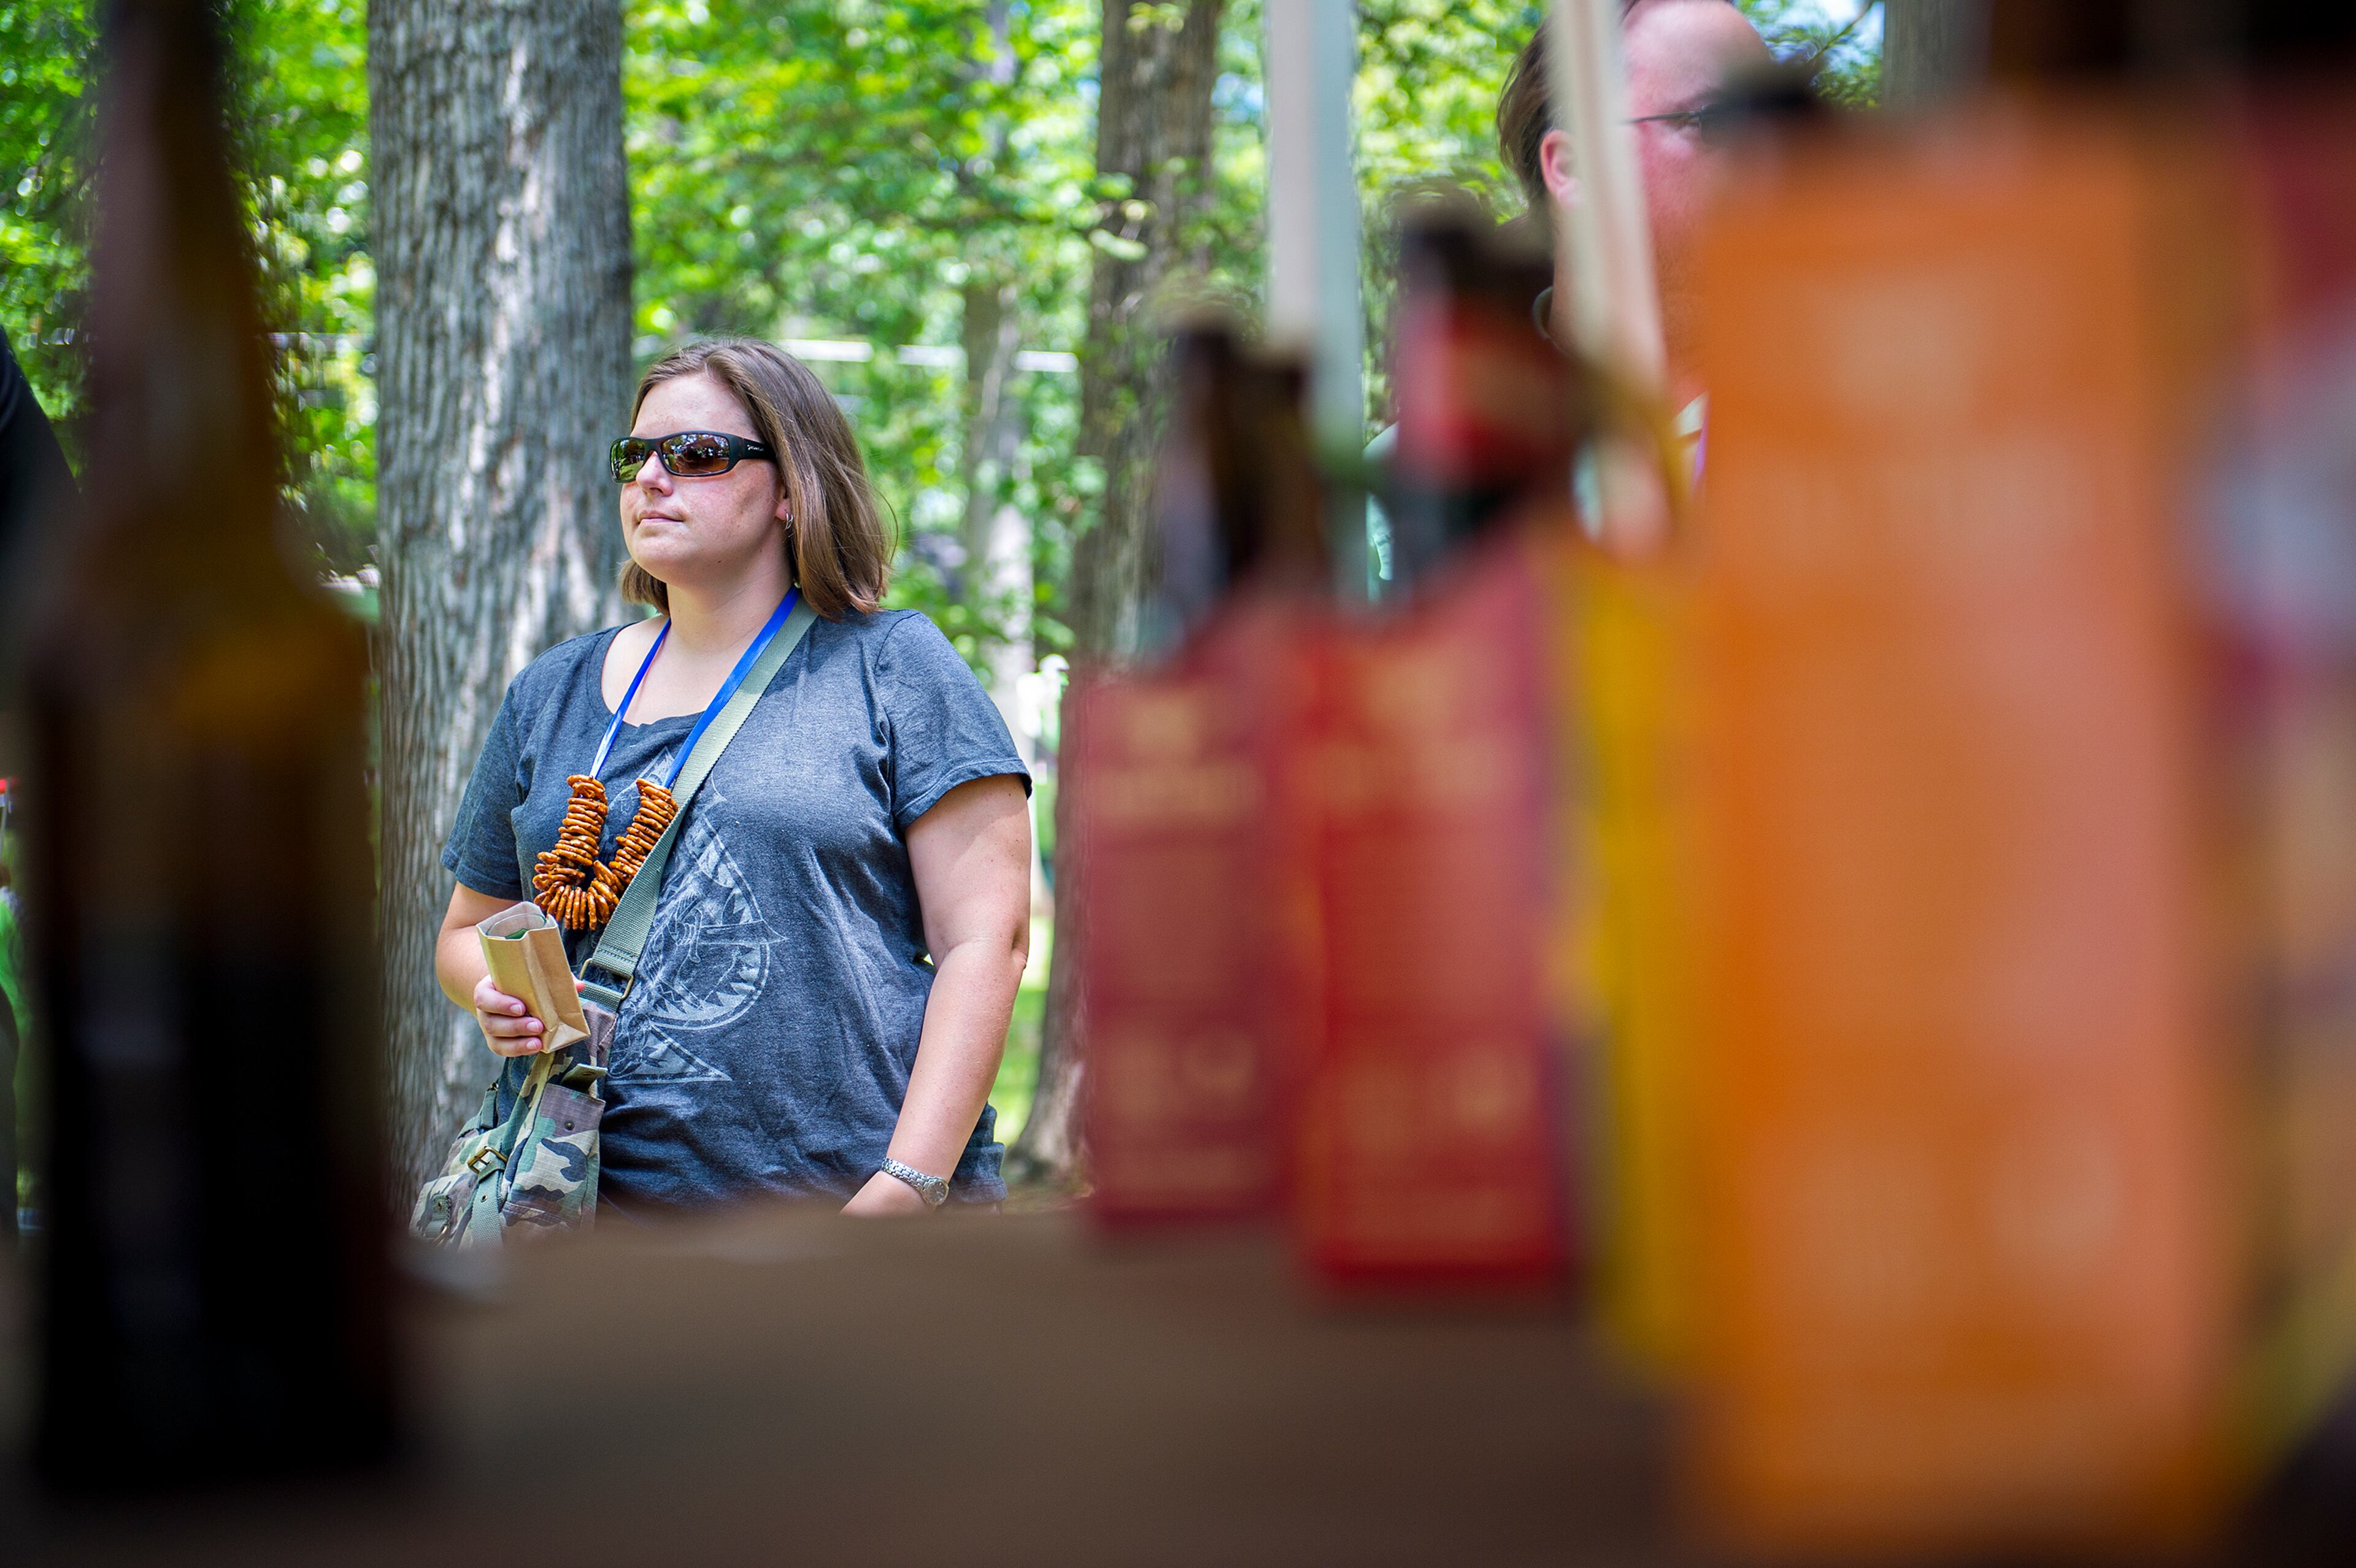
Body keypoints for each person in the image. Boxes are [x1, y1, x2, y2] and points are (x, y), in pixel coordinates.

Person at [435, 337, 1032, 1216]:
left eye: (698, 455)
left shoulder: (892, 666)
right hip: (584, 1222)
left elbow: (989, 944)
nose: (650, 479)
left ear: (792, 488)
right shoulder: (550, 692)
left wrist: (905, 1187)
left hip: (839, 1217)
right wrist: (493, 991)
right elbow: (467, 929)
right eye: (634, 456)